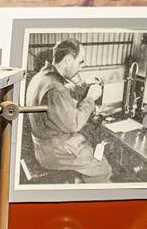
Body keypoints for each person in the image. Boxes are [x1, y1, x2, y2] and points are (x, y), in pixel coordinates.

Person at [24, 38, 113, 184]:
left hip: (43, 147)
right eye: (80, 62)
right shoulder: (56, 89)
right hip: (56, 151)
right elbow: (75, 124)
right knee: (102, 167)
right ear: (68, 60)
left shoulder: (41, 77)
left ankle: (79, 182)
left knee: (89, 146)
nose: (81, 68)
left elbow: (60, 99)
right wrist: (90, 97)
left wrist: (84, 85)